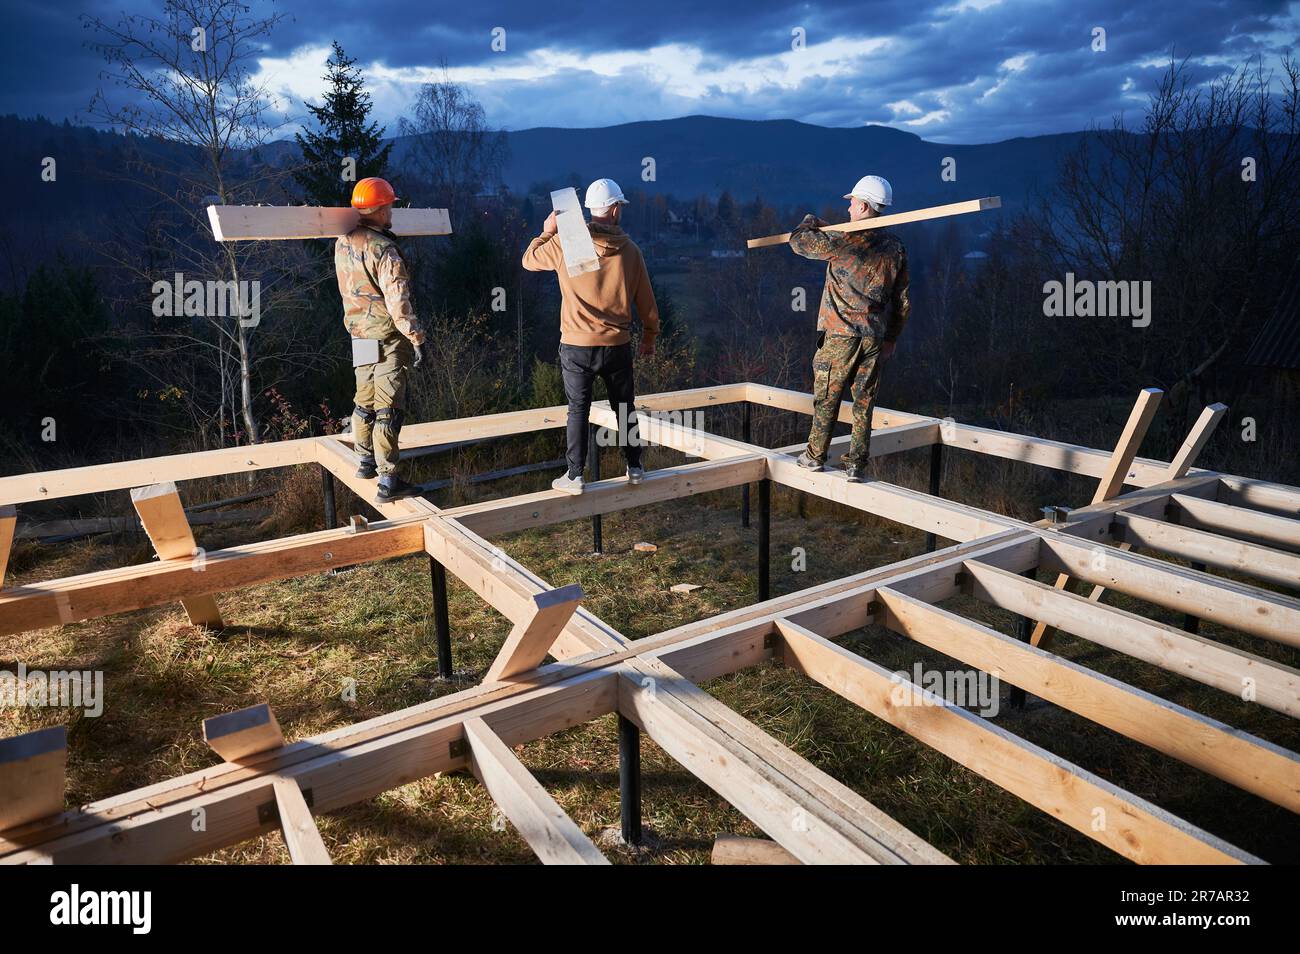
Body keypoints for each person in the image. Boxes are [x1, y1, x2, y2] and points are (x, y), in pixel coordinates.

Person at [523, 177, 660, 495]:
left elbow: (528, 261)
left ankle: (575, 475)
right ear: (614, 211)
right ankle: (635, 467)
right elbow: (646, 301)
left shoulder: (565, 245)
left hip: (577, 346)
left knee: (578, 409)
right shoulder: (631, 252)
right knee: (624, 407)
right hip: (617, 346)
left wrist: (548, 230)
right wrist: (650, 336)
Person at [790, 174, 910, 482]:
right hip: (874, 336)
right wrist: (891, 339)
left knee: (827, 396)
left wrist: (809, 220)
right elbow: (902, 300)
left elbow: (798, 243)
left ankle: (815, 456)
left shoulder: (842, 241)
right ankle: (857, 464)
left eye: (853, 203)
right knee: (864, 400)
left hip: (841, 335)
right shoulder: (895, 248)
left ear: (865, 206)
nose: (848, 210)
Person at [335, 176, 428, 503]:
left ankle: (364, 460)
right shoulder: (383, 249)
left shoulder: (343, 241)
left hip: (360, 334)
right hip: (388, 337)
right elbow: (397, 300)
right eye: (389, 205)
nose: (392, 210)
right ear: (377, 208)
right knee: (388, 407)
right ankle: (389, 480)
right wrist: (416, 337)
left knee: (365, 398)